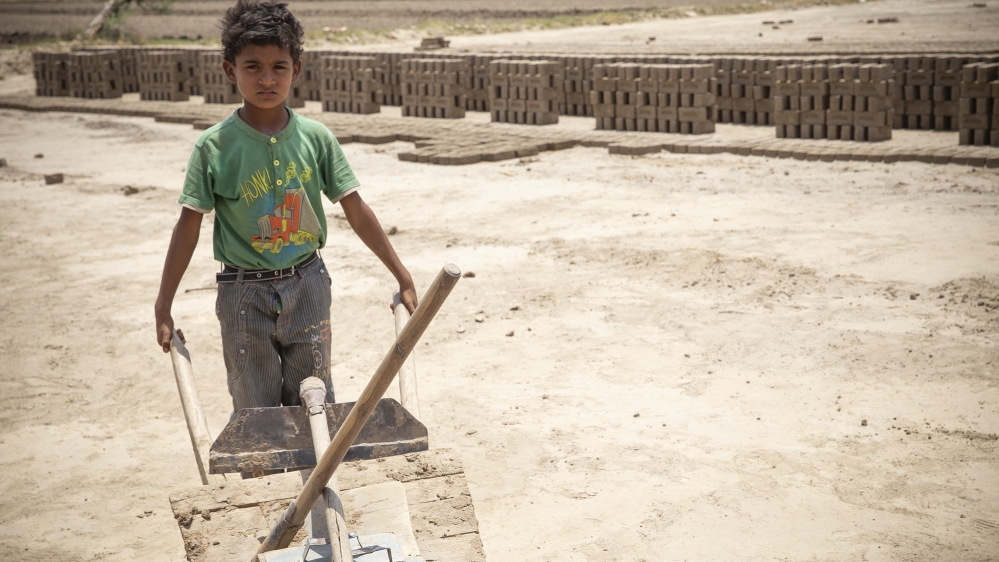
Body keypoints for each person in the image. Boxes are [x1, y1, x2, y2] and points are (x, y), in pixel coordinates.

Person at [154, 0, 416, 410]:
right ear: (229, 70)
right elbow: (187, 227)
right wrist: (163, 305)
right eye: (252, 66)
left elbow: (355, 208)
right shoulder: (214, 147)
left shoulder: (316, 138)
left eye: (278, 67)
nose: (266, 78)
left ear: (296, 70)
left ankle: (317, 474)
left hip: (307, 282)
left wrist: (402, 275)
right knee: (255, 407)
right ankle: (271, 476)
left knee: (314, 399)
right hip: (243, 294)